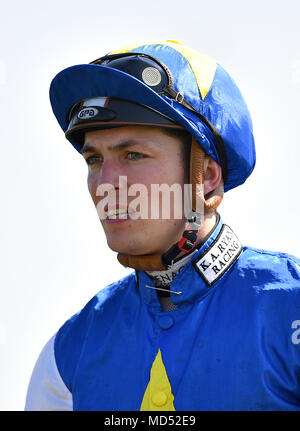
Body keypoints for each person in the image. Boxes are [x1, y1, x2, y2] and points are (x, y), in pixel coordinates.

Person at [25, 40, 300, 411]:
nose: (105, 182)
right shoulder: (68, 351)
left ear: (205, 177)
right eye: (94, 160)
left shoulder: (290, 308)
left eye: (133, 155)